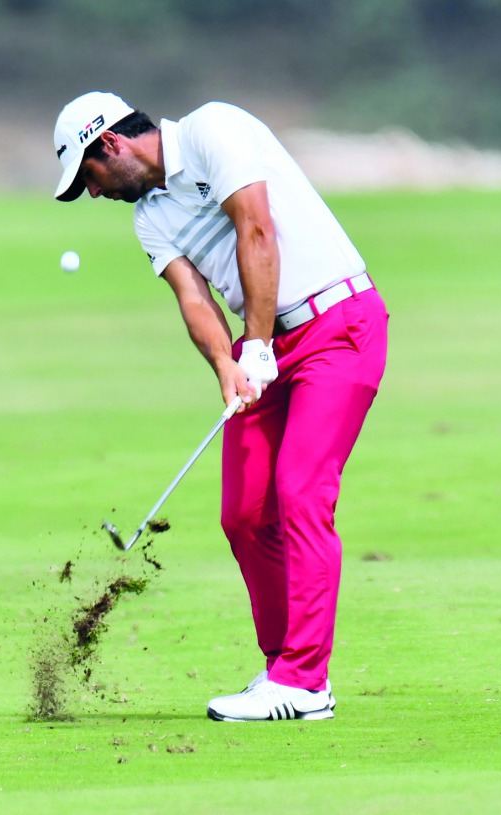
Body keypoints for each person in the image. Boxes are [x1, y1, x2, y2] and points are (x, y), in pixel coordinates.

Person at [53, 91, 388, 722]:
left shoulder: (214, 129)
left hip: (337, 324)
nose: (91, 193)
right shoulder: (148, 216)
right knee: (244, 513)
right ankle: (282, 666)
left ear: (111, 144)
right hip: (264, 345)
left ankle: (305, 683)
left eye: (88, 177)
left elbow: (254, 227)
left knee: (300, 493)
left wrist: (258, 343)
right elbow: (194, 299)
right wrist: (228, 365)